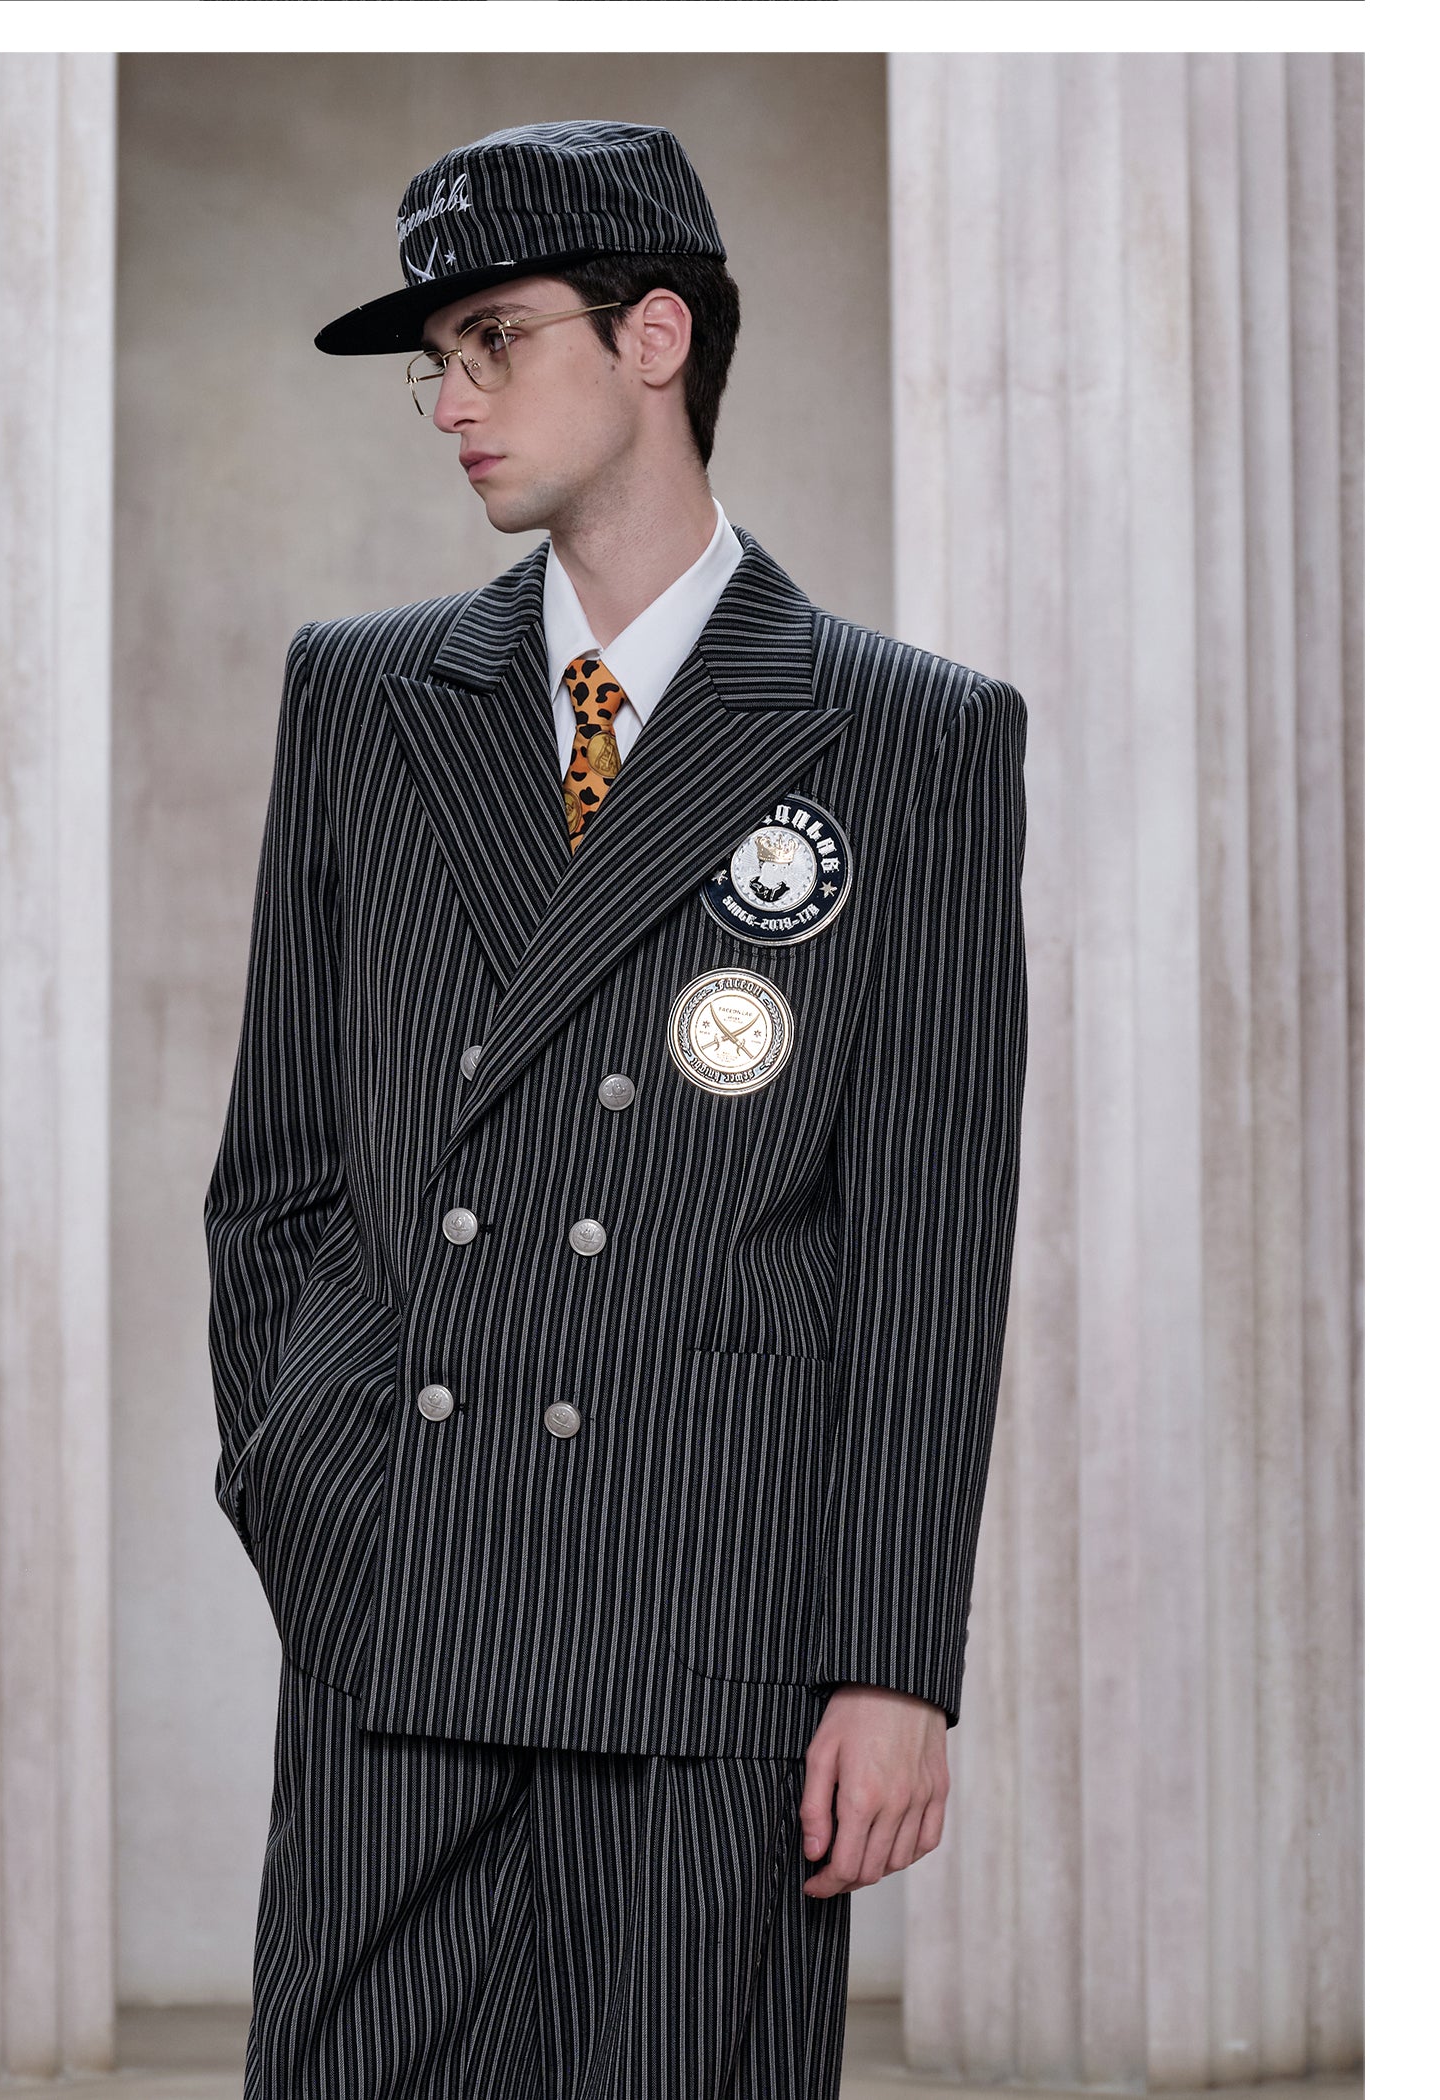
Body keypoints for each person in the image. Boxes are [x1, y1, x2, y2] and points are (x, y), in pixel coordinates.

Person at [204, 118, 1029, 2100]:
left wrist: (893, 1663)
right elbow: (277, 1175)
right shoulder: (365, 699)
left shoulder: (907, 736)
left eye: (492, 341)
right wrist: (308, 1494)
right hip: (402, 1602)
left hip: (709, 1618)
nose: (449, 404)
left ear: (653, 336)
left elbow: (925, 1241)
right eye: (436, 363)